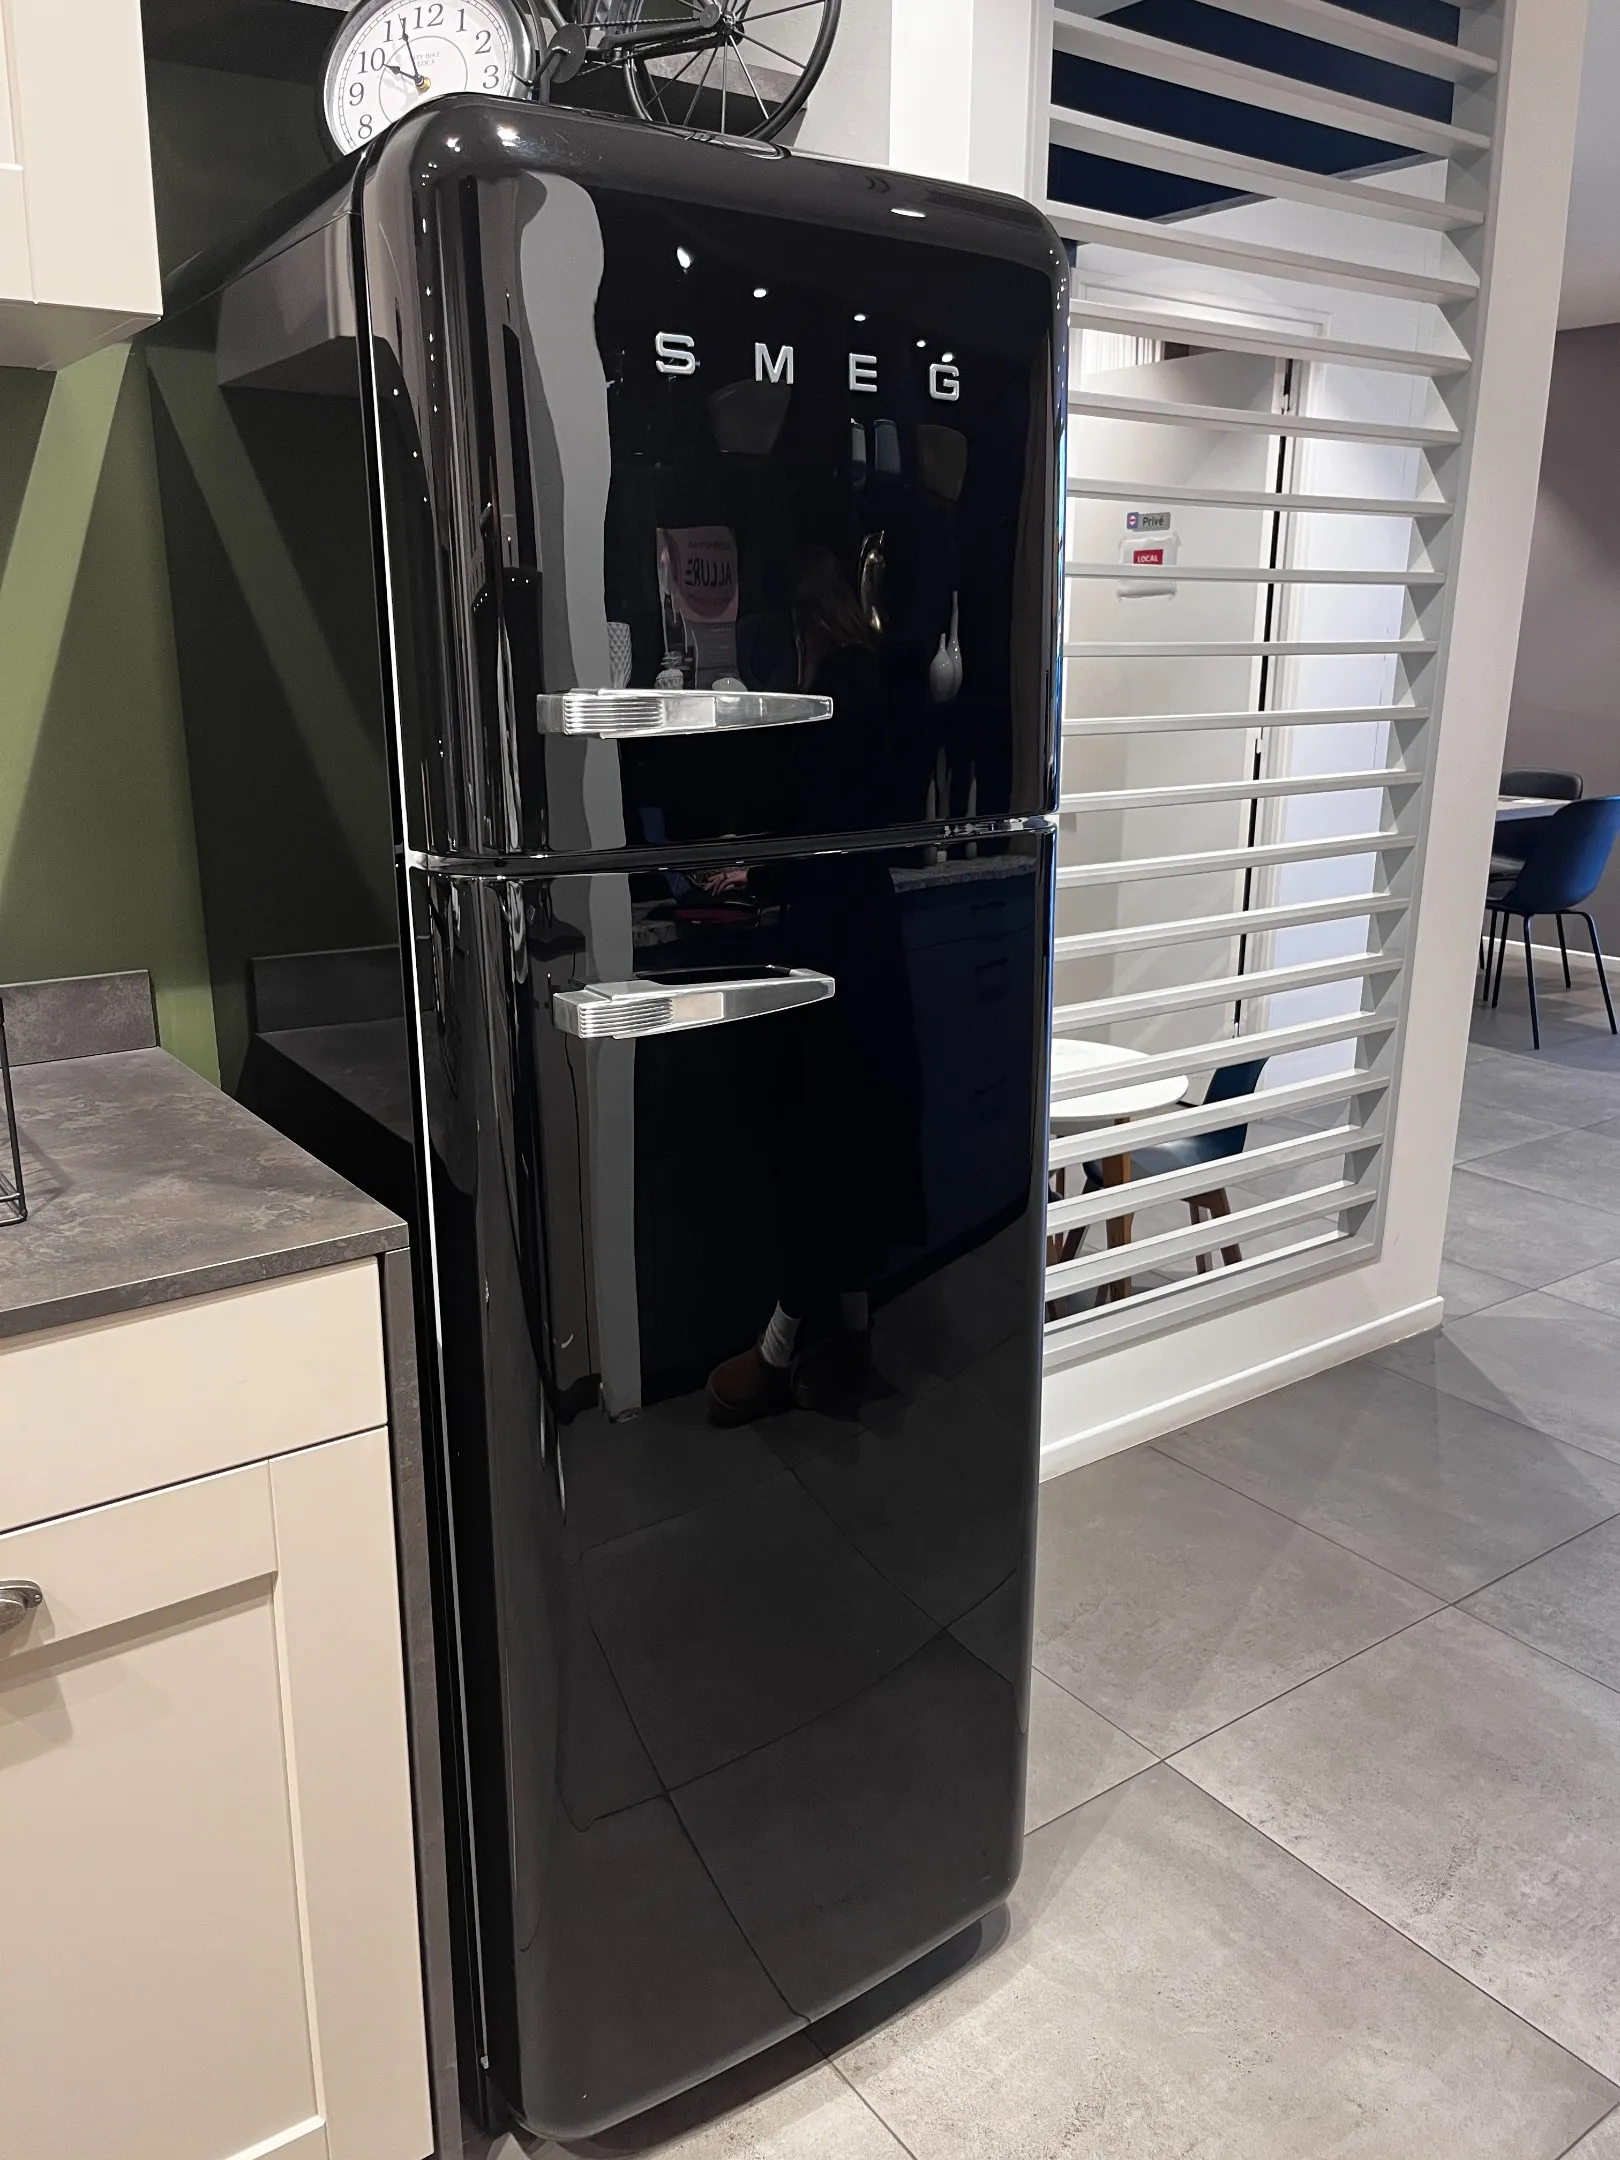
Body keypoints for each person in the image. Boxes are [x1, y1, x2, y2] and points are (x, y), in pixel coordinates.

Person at [706, 547, 924, 1423]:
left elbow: (817, 826)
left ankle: (776, 1355)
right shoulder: (877, 681)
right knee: (857, 1146)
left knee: (816, 1148)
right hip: (869, 940)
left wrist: (753, 868)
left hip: (831, 949)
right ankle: (855, 1345)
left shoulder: (833, 691)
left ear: (803, 625)